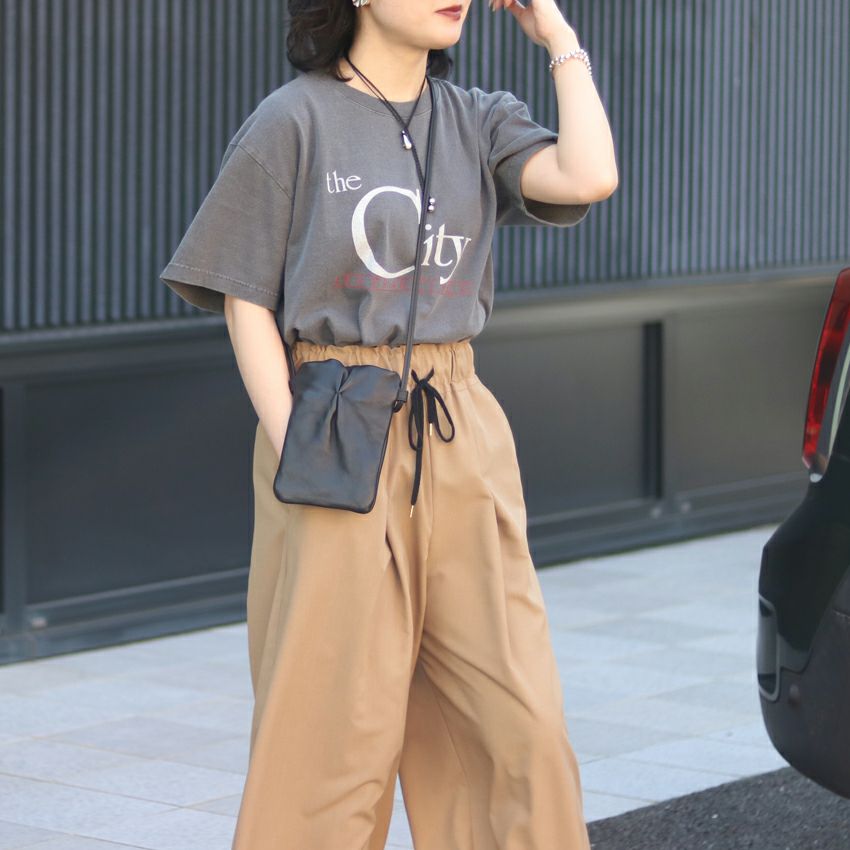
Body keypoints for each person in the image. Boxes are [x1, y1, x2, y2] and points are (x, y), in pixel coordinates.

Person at [160, 0, 617, 846]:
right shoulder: (292, 120)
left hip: (458, 422)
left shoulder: (480, 118)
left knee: (517, 720)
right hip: (334, 420)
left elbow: (588, 177)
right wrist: (297, 440)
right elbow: (243, 297)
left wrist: (559, 38)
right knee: (331, 730)